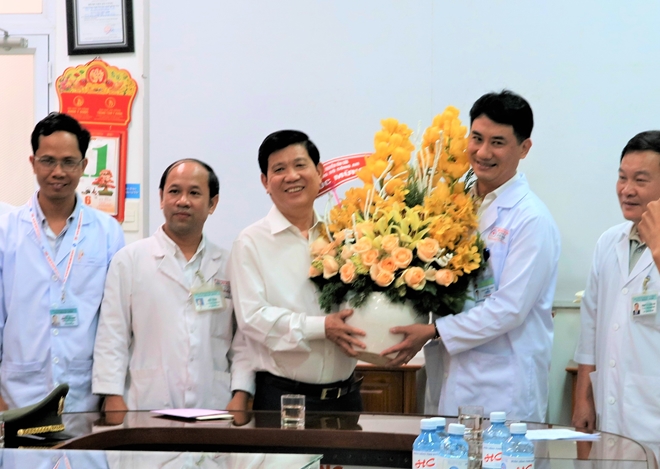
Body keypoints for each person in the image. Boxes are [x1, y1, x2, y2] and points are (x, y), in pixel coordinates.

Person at [382, 91, 560, 422]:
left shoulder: (531, 219)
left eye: (498, 142)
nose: (482, 152)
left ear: (524, 148)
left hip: (504, 384)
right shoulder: (455, 204)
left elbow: (510, 309)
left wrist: (435, 332)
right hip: (456, 373)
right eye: (476, 138)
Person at [92, 159, 251, 411]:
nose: (183, 201)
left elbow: (242, 340)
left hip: (213, 403)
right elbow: (112, 335)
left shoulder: (229, 264)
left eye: (195, 193)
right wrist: (111, 396)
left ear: (213, 203)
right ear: (161, 198)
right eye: (174, 191)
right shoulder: (129, 260)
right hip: (145, 402)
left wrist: (241, 392)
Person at [228, 130, 367, 412]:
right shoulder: (251, 241)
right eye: (279, 169)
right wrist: (321, 327)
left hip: (346, 397)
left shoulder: (344, 233)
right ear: (265, 182)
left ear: (319, 171)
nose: (291, 176)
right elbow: (253, 318)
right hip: (285, 399)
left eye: (300, 165)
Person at [0, 112, 125, 412]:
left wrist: (112, 391)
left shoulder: (107, 232)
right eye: (47, 160)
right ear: (33, 163)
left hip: (85, 395)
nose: (58, 171)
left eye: (69, 162)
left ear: (84, 166)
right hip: (16, 393)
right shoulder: (7, 230)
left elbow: (115, 321)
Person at [573, 130, 660, 455]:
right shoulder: (609, 242)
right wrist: (583, 398)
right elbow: (591, 325)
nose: (627, 189)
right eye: (622, 177)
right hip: (610, 412)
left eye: (640, 179)